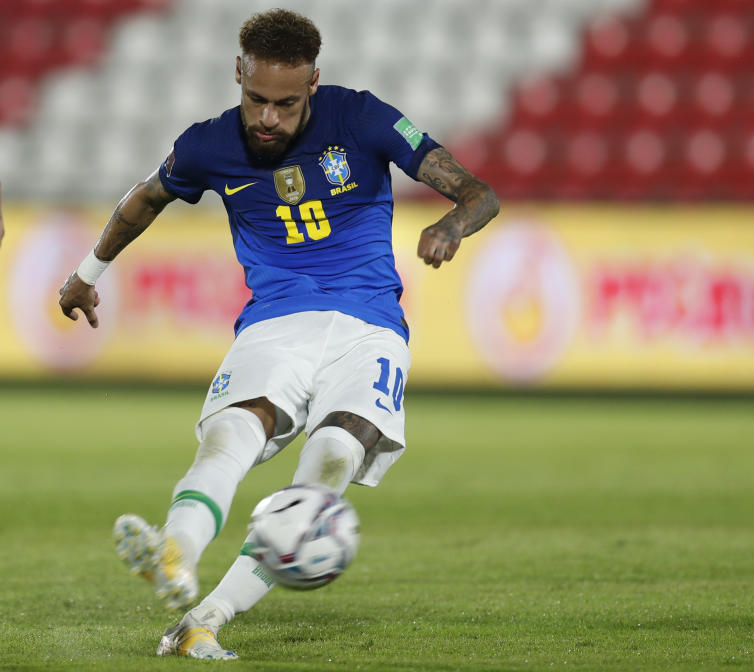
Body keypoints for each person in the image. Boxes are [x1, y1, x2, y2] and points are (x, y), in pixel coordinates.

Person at [58, 9, 498, 661]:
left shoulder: (366, 118)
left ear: (314, 84)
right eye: (257, 99)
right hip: (277, 322)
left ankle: (201, 622)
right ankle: (173, 552)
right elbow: (146, 197)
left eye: (285, 104)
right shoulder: (209, 144)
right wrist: (86, 273)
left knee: (332, 466)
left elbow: (477, 192)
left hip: (371, 329)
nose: (268, 118)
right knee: (230, 436)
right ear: (238, 73)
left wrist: (452, 226)